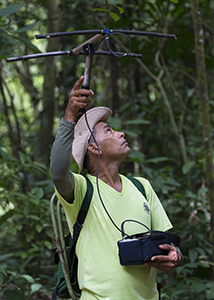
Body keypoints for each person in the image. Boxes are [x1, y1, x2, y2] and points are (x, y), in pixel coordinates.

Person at [50, 76, 182, 300]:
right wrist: (70, 116)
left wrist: (175, 255)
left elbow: (165, 243)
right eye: (109, 131)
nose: (121, 133)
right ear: (92, 147)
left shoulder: (142, 187)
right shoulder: (81, 189)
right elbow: (58, 173)